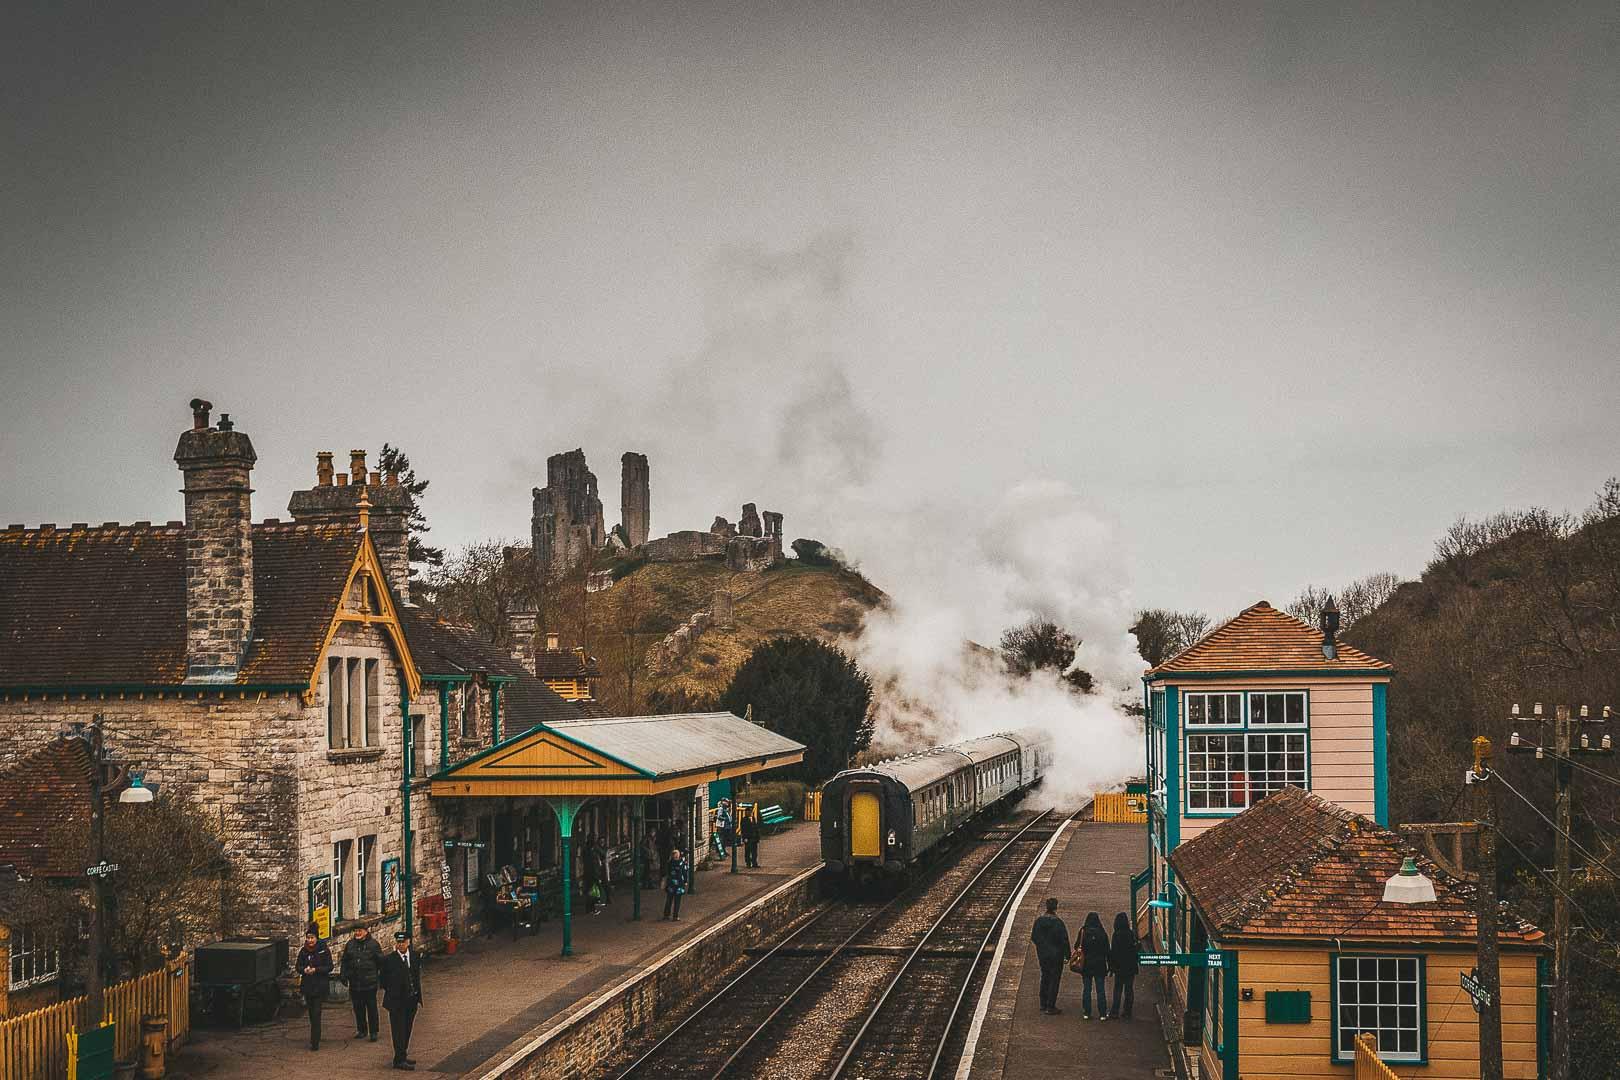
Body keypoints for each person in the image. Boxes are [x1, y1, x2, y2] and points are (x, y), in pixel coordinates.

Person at [380, 931, 423, 1070]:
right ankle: (399, 1060)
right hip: (396, 1002)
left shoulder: (415, 956)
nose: (401, 945)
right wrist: (394, 992)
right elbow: (383, 981)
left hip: (411, 1000)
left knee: (407, 1029)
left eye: (403, 942)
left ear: (408, 942)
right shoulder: (389, 960)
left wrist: (416, 996)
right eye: (398, 943)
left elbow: (416, 977)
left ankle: (402, 1055)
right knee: (398, 1031)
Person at [341, 924, 385, 1042]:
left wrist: (380, 978)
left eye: (359, 931)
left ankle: (374, 1031)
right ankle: (362, 1030)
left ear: (366, 931)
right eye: (355, 931)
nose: (357, 933)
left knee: (371, 1008)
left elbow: (381, 962)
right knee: (358, 1008)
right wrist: (343, 975)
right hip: (355, 982)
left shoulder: (373, 945)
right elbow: (344, 961)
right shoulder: (350, 945)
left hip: (369, 982)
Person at [295, 923, 332, 1051]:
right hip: (308, 986)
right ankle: (316, 1033)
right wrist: (304, 970)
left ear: (316, 938)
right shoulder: (303, 951)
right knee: (311, 1013)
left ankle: (314, 1041)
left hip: (319, 985)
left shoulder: (323, 950)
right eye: (308, 938)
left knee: (316, 1013)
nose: (310, 940)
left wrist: (316, 970)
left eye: (312, 938)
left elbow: (329, 966)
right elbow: (298, 966)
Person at [1029, 898, 1070, 1015]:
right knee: (1054, 979)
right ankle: (1050, 1006)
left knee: (1045, 976)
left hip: (1043, 955)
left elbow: (1034, 937)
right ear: (1056, 907)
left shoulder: (1039, 921)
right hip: (1056, 955)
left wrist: (1041, 947)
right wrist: (1067, 955)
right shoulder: (1058, 923)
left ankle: (1043, 1003)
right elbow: (1064, 940)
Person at [1075, 911, 1110, 1020]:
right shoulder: (1102, 933)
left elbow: (1077, 946)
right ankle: (1103, 1014)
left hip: (1086, 964)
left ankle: (1087, 1012)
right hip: (1100, 964)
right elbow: (1107, 950)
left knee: (1087, 989)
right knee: (1100, 990)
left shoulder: (1083, 932)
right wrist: (1110, 965)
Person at [1108, 911, 1140, 1020]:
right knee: (1129, 989)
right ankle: (1127, 1011)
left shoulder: (1116, 935)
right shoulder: (1131, 934)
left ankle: (1115, 1011)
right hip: (1130, 966)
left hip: (1119, 966)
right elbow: (1135, 949)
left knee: (1117, 989)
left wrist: (1111, 966)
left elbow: (1113, 951)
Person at [662, 847, 689, 921]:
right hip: (679, 884)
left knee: (669, 900)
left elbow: (666, 872)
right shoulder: (682, 863)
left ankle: (667, 915)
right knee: (677, 901)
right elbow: (685, 872)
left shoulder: (670, 863)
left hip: (671, 884)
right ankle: (675, 916)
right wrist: (685, 881)